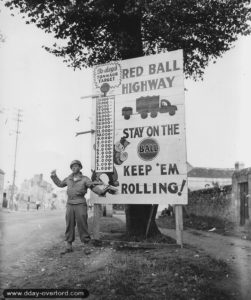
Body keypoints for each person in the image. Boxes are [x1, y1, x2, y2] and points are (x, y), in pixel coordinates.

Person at [50, 160, 108, 254]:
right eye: (72, 166)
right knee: (69, 224)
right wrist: (54, 176)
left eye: (76, 166)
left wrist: (101, 192)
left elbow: (92, 186)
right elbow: (60, 184)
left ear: (80, 167)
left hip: (80, 203)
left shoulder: (85, 179)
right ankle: (69, 246)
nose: (74, 168)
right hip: (70, 204)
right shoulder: (68, 178)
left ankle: (86, 246)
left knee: (82, 224)